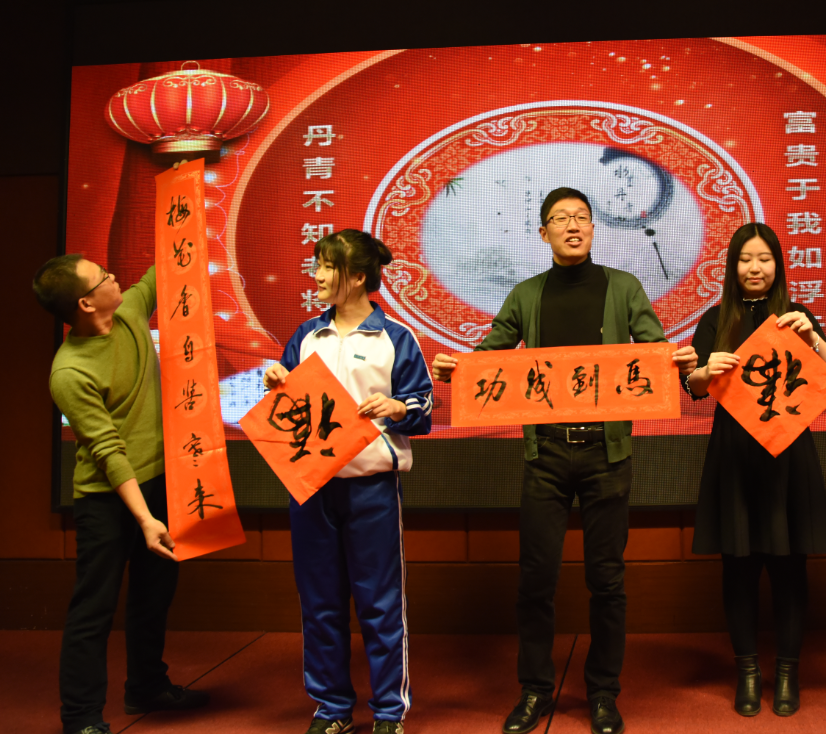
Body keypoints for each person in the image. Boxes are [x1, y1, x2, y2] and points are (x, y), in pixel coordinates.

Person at [431, 187, 697, 734]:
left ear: (594, 229)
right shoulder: (526, 294)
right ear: (543, 232)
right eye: (560, 219)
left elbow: (656, 353)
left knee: (607, 582)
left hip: (607, 455)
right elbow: (490, 354)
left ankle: (603, 694)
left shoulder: (624, 287)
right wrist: (460, 369)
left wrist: (680, 362)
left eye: (581, 217)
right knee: (535, 581)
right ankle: (534, 690)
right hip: (546, 454)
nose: (572, 226)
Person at [263, 229, 434, 734]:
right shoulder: (306, 335)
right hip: (310, 487)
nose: (316, 275)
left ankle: (388, 713)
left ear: (357, 277)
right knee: (319, 603)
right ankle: (332, 708)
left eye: (326, 266)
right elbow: (287, 406)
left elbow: (423, 407)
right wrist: (275, 382)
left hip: (371, 489)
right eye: (316, 264)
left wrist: (398, 407)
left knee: (380, 603)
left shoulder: (395, 337)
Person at [34, 252, 209, 734]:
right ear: (86, 303)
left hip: (158, 481)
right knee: (94, 607)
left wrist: (185, 204)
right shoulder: (69, 372)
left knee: (155, 593)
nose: (115, 277)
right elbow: (109, 452)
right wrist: (145, 519)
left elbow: (166, 267)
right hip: (106, 499)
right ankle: (81, 717)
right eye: (103, 277)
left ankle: (147, 687)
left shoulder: (129, 310)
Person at [682, 222, 826, 718]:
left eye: (764, 259)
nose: (755, 268)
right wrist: (703, 372)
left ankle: (788, 672)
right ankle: (748, 673)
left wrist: (814, 340)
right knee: (739, 568)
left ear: (778, 265)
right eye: (745, 259)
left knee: (791, 567)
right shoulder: (715, 319)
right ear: (732, 266)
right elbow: (692, 387)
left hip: (789, 455)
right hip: (734, 456)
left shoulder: (796, 316)